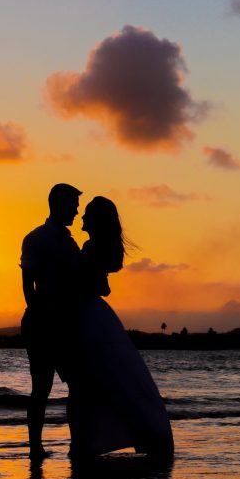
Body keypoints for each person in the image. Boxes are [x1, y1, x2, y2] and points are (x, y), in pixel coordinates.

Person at [66, 196, 174, 461]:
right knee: (110, 379)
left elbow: (95, 285)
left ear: (95, 220)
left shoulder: (91, 249)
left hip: (88, 317)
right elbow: (103, 286)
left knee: (87, 384)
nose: (82, 219)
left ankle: (83, 443)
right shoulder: (95, 249)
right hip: (95, 315)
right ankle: (87, 442)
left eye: (87, 215)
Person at [20, 183, 82, 460]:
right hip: (43, 324)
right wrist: (45, 319)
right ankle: (36, 446)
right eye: (73, 206)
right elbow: (27, 289)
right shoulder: (36, 238)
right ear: (59, 205)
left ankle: (75, 443)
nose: (77, 212)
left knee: (75, 386)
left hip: (65, 324)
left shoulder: (70, 243)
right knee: (42, 388)